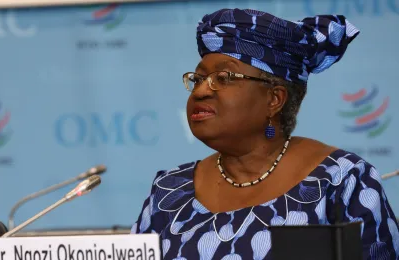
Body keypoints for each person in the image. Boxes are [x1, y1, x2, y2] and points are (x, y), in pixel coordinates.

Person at [131, 8, 399, 259]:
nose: (200, 91)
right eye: (198, 79)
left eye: (223, 78)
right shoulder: (169, 190)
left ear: (274, 99)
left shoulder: (341, 180)